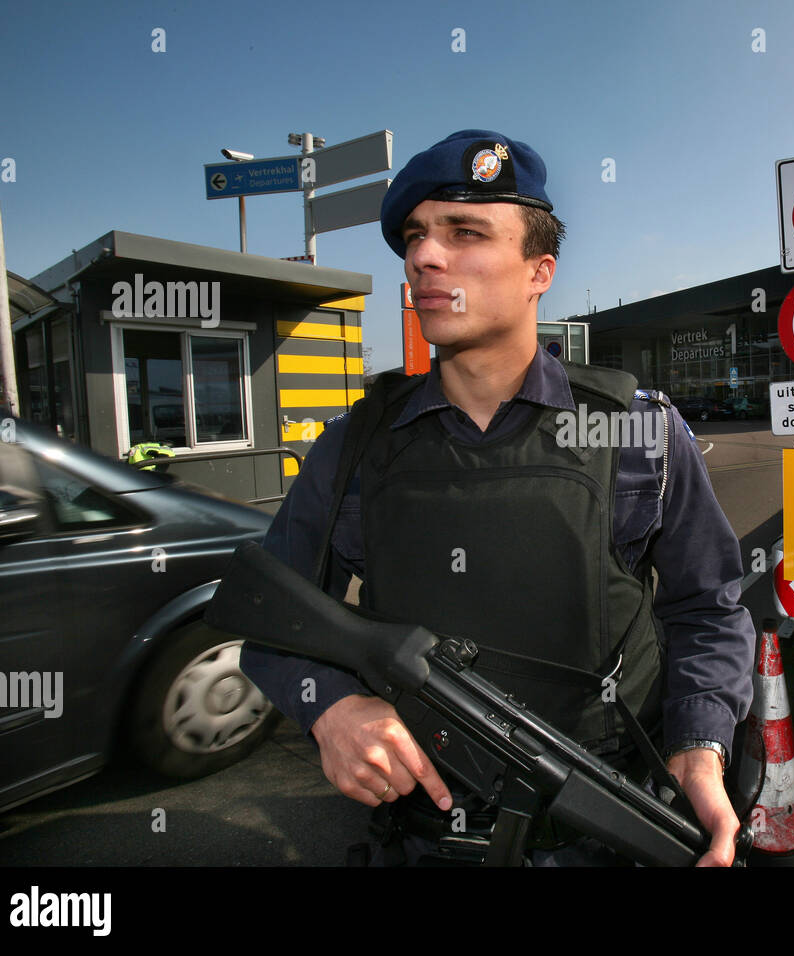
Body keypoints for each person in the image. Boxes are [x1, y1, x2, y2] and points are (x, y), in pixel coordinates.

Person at [239, 129, 755, 866]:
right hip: (424, 840)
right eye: (415, 236)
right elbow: (273, 617)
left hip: (609, 831)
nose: (424, 256)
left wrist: (700, 746)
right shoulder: (354, 447)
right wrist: (331, 707)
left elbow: (707, 606)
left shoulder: (639, 430)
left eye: (465, 232)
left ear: (539, 271)